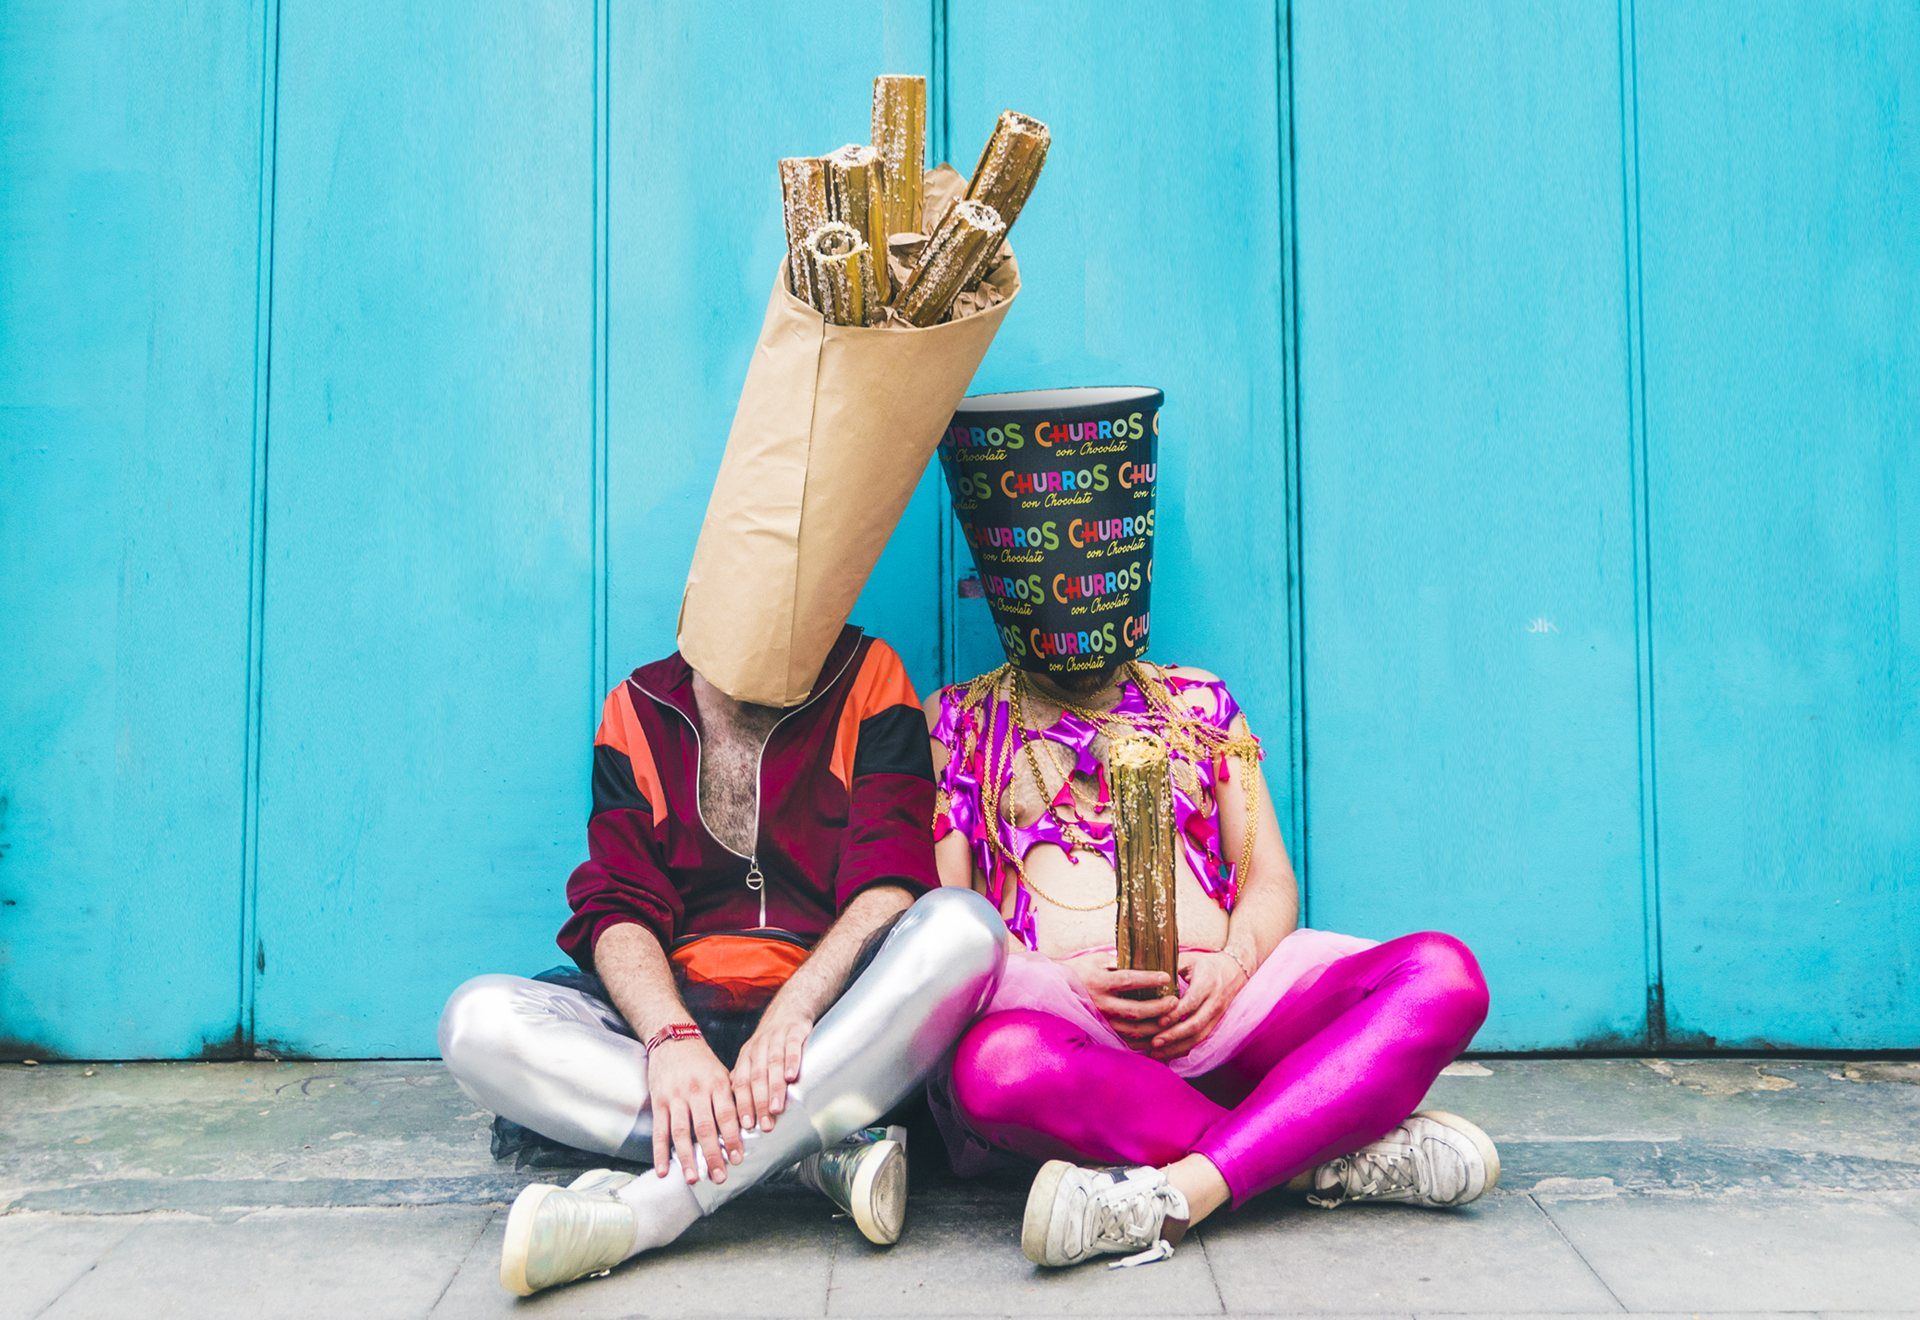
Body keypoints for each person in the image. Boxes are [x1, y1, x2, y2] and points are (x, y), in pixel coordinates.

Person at [927, 387, 1496, 1269]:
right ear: (1000, 576)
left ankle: (1188, 1188)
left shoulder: (1197, 702)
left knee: (1444, 975)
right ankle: (1314, 1149)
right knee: (993, 1071)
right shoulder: (959, 721)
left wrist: (1230, 972)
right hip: (1063, 1030)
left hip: (1230, 1014)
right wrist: (1052, 980)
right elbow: (947, 926)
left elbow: (1268, 878)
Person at [440, 626, 1007, 1295]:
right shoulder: (639, 704)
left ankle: (652, 1211)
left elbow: (891, 881)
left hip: (832, 1029)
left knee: (966, 929)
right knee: (474, 1023)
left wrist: (796, 1009)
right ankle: (805, 1154)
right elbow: (617, 905)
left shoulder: (869, 673)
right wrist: (669, 1035)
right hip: (684, 1020)